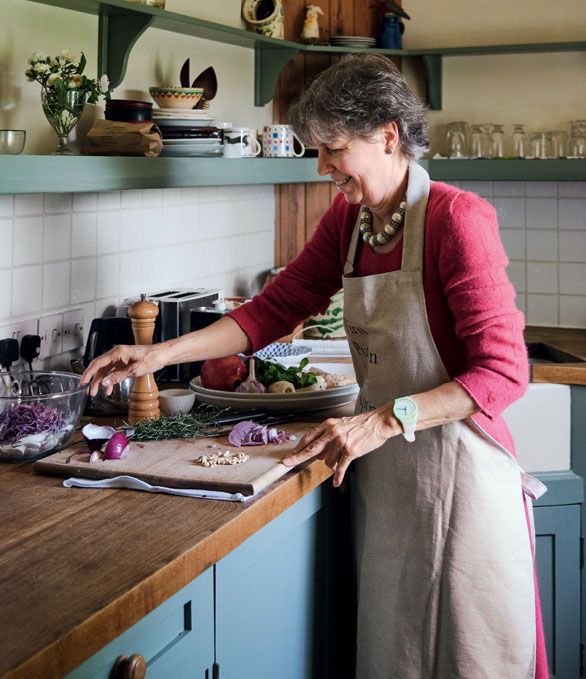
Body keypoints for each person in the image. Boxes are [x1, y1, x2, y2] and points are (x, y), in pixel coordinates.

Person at [82, 54, 548, 679]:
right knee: (396, 654)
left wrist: (385, 419)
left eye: (332, 149)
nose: (323, 167)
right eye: (317, 150)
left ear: (388, 134)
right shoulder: (351, 222)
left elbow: (505, 372)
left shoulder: (457, 218)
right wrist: (159, 353)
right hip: (386, 476)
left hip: (458, 469)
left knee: (467, 656)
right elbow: (274, 310)